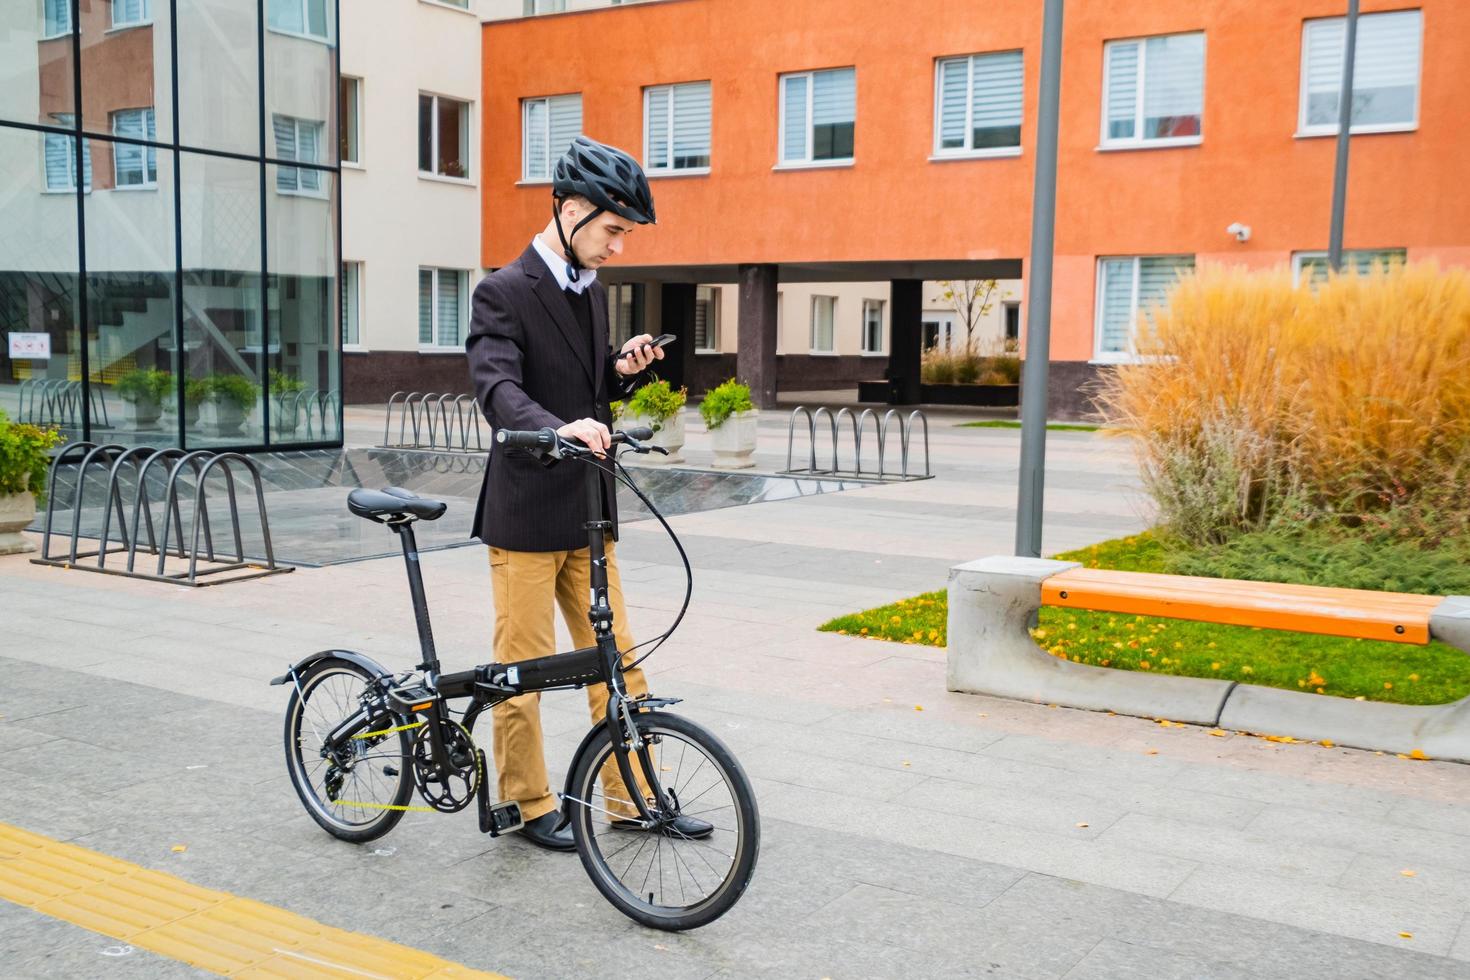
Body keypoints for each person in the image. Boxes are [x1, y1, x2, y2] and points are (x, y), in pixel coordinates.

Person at [465, 137, 711, 851]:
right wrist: (555, 428)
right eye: (612, 231)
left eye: (625, 234)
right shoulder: (503, 290)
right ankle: (528, 801)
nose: (619, 247)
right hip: (527, 511)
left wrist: (620, 371)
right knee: (525, 669)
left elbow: (583, 383)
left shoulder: (590, 291)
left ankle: (633, 799)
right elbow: (498, 386)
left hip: (589, 510)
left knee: (620, 662)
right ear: (572, 211)